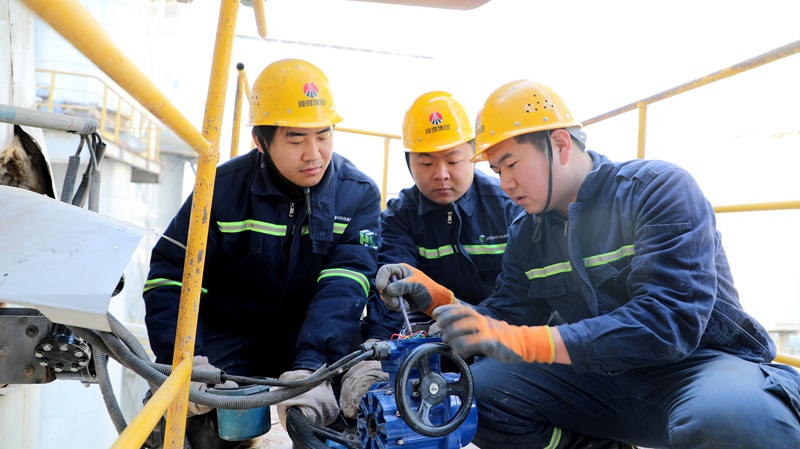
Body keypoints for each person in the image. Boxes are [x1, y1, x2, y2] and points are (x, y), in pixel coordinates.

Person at [375, 80, 800, 448]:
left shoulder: (657, 189)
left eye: (511, 164)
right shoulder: (528, 230)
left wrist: (527, 342)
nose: (505, 184)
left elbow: (668, 322)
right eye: (496, 169)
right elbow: (506, 317)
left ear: (560, 144)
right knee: (477, 395)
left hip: (697, 367)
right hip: (599, 379)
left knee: (731, 418)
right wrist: (438, 300)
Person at [142, 58, 382, 448]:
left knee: (340, 424)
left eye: (323, 135)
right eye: (296, 140)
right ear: (260, 141)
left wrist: (311, 370)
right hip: (228, 337)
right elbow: (171, 277)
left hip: (310, 337)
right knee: (191, 432)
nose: (314, 154)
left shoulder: (357, 195)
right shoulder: (220, 190)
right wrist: (187, 360)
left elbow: (345, 286)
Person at [337, 91, 523, 419]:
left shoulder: (510, 207)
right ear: (409, 162)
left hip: (500, 333)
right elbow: (393, 296)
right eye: (426, 163)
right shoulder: (400, 217)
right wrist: (379, 354)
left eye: (453, 160)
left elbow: (523, 298)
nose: (441, 174)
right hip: (433, 337)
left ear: (473, 155)